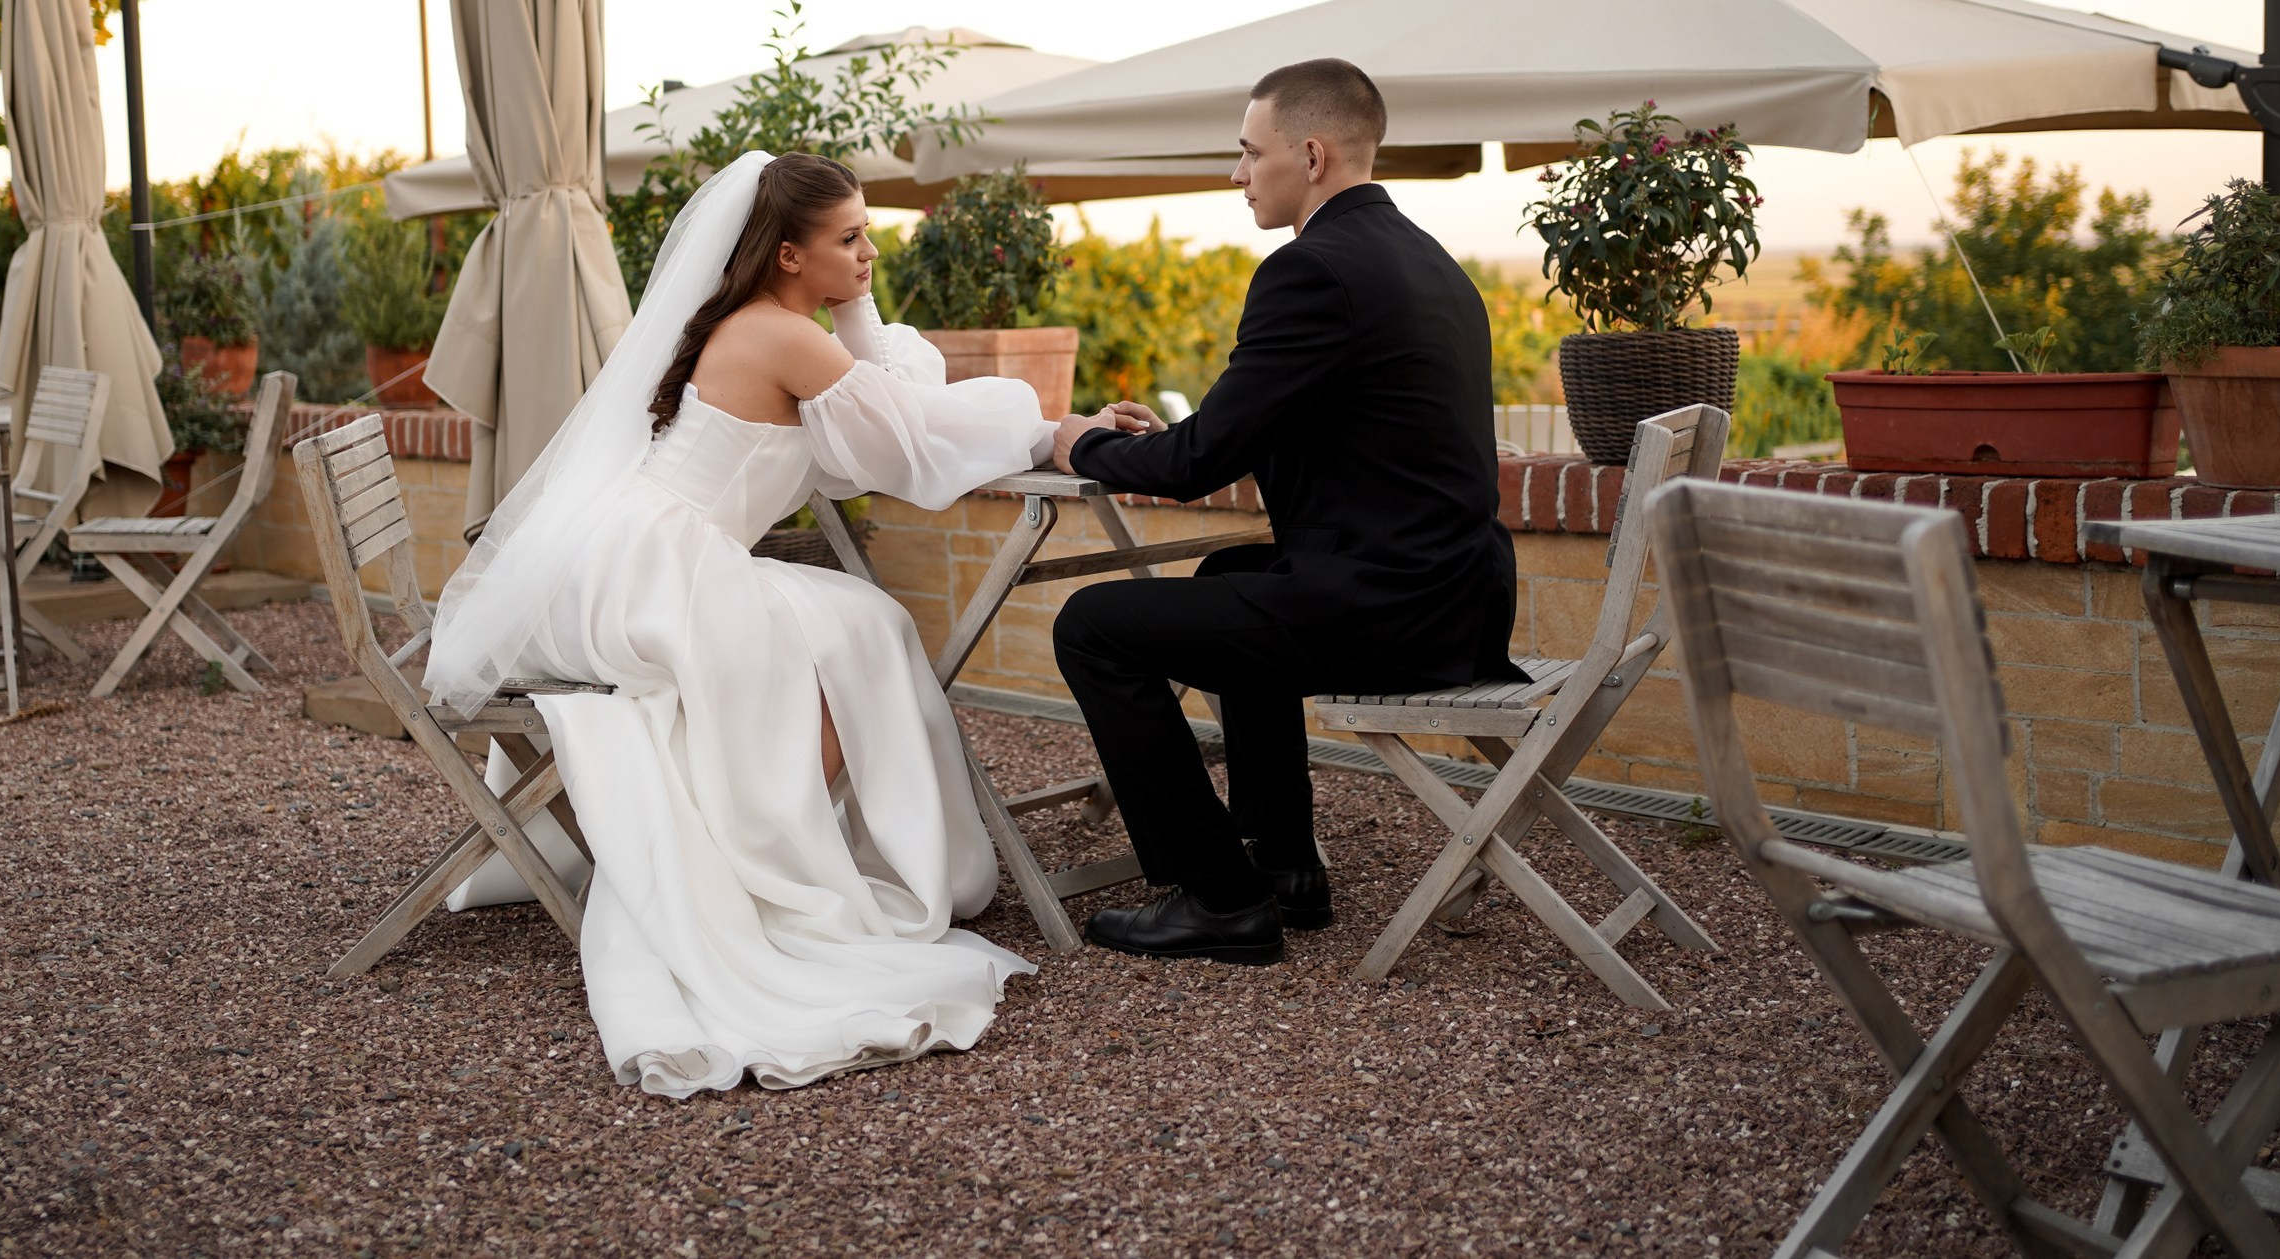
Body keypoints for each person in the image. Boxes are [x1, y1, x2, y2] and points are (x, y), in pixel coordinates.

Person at [428, 150, 1090, 1096]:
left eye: (867, 234)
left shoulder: (770, 323)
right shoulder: (781, 335)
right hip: (659, 563)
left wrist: (856, 301)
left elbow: (885, 424)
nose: (868, 253)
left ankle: (757, 843)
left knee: (859, 623)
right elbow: (910, 442)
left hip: (645, 549)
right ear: (786, 254)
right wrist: (1052, 429)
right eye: (849, 238)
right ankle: (749, 867)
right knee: (860, 630)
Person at [1048, 58, 1519, 967]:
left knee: (1093, 624)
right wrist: (1186, 433)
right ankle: (1284, 863)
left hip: (1388, 613)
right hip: (1458, 600)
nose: (1236, 174)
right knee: (1234, 576)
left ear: (1310, 153)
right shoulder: (1428, 262)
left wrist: (1083, 445)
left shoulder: (1312, 271)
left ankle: (1220, 897)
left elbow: (1194, 469)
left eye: (1247, 152)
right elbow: (1278, 430)